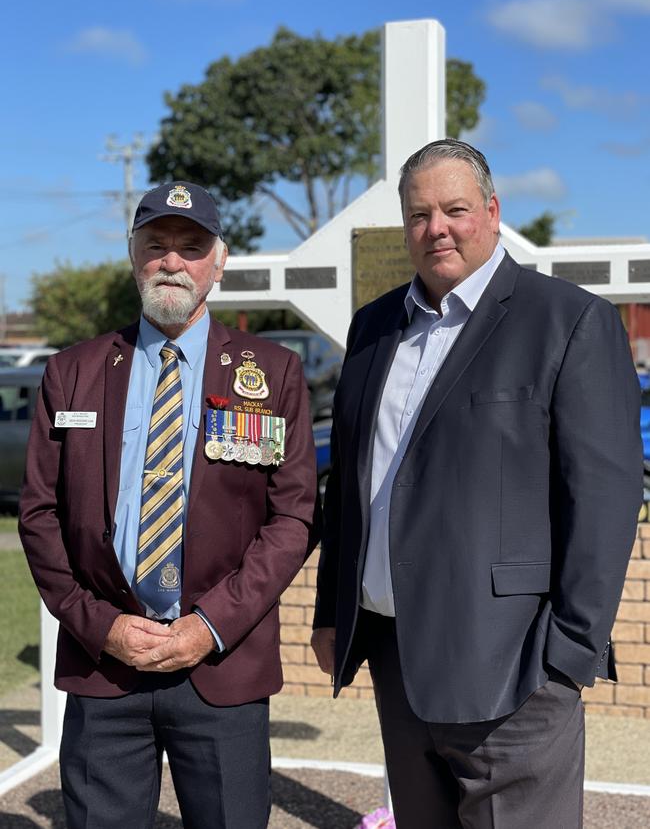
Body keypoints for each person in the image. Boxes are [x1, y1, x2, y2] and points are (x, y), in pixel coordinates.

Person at [311, 139, 642, 828]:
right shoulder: (373, 327)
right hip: (395, 657)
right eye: (419, 214)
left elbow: (604, 500)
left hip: (513, 669)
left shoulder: (568, 321)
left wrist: (566, 658)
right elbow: (348, 481)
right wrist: (330, 610)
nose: (437, 227)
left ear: (491, 212)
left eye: (455, 209)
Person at [19, 181, 317, 829]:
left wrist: (206, 625)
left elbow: (292, 519)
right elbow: (39, 515)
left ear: (220, 260)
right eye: (156, 244)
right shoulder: (73, 372)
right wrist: (100, 625)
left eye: (191, 246)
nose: (172, 261)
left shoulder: (272, 373)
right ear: (133, 255)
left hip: (221, 664)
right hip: (106, 668)